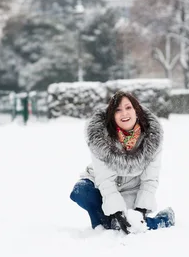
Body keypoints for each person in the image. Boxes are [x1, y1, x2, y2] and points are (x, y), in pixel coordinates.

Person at [70, 90, 175, 234]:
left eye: (128, 108)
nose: (124, 114)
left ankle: (163, 219)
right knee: (81, 191)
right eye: (118, 110)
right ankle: (104, 225)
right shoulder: (100, 137)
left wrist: (141, 210)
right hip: (102, 184)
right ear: (112, 116)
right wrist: (116, 211)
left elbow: (150, 179)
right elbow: (105, 179)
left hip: (132, 188)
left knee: (128, 226)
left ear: (136, 110)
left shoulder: (151, 138)